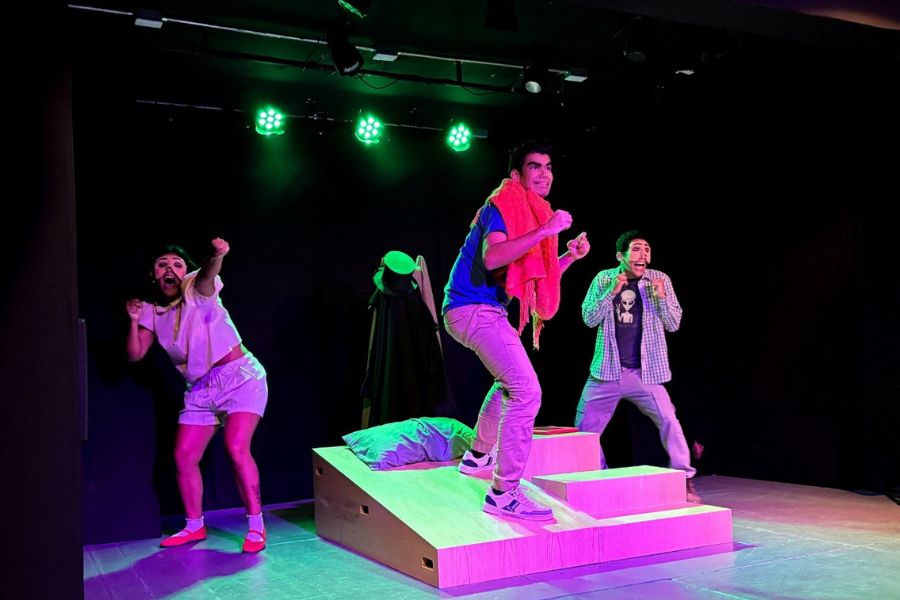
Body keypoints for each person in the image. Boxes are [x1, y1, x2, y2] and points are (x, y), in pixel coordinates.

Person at [443, 141, 590, 520]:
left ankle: (478, 456)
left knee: (509, 383)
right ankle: (503, 493)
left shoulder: (528, 213)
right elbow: (494, 256)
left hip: (479, 310)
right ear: (516, 174)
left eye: (549, 167)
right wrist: (546, 230)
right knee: (527, 391)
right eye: (534, 166)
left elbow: (533, 274)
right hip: (472, 308)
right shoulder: (504, 204)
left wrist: (568, 257)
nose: (544, 174)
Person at [125, 238, 269, 552]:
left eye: (177, 264)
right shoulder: (152, 311)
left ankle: (257, 525)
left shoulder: (195, 287)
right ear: (153, 274)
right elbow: (135, 354)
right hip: (201, 389)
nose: (170, 269)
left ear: (185, 271)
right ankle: (194, 526)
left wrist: (217, 255)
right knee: (184, 457)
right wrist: (134, 321)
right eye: (162, 264)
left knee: (236, 447)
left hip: (240, 377)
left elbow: (206, 274)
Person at [575, 230, 698, 498]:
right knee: (584, 431)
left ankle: (684, 477)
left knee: (669, 421)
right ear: (621, 256)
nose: (644, 254)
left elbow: (674, 324)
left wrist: (661, 298)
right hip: (607, 371)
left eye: (647, 249)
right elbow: (589, 318)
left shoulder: (659, 280)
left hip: (645, 373)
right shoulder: (604, 279)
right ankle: (598, 478)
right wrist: (611, 292)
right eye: (637, 249)